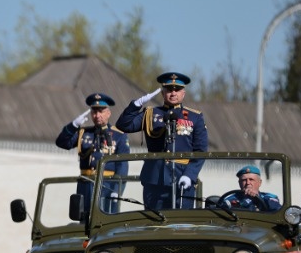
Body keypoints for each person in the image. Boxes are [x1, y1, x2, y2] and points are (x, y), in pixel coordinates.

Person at [117, 72, 208, 209]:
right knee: (153, 225)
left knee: (181, 226)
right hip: (154, 180)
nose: (173, 93)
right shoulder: (150, 114)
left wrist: (190, 175)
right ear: (163, 92)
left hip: (182, 179)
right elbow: (123, 125)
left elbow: (201, 151)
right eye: (169, 90)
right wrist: (136, 105)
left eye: (177, 90)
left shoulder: (195, 117)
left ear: (183, 93)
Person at [55, 93, 130, 212]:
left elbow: (122, 166)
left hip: (107, 187)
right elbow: (61, 143)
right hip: (85, 186)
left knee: (106, 224)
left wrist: (117, 191)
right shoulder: (84, 133)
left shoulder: (119, 135)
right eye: (94, 112)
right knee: (83, 223)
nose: (97, 115)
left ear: (108, 113)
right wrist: (73, 126)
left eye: (101, 111)